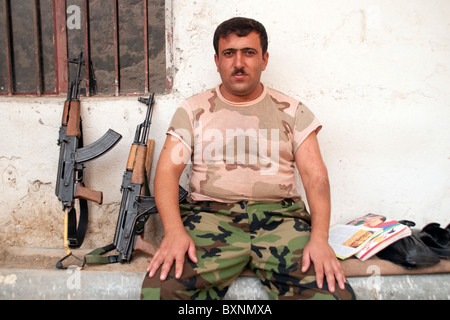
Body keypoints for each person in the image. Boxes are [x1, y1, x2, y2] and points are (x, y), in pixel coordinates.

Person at [141, 17, 355, 300]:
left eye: (249, 52)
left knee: (333, 295)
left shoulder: (293, 111)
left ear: (264, 59)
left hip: (281, 220)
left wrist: (319, 238)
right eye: (229, 53)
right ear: (217, 61)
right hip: (209, 219)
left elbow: (316, 178)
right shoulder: (193, 110)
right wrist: (173, 232)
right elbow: (167, 173)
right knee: (160, 292)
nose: (238, 62)